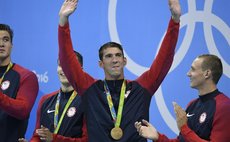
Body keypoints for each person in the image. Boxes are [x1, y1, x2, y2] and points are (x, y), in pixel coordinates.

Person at [58, 0, 181, 141]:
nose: (114, 60)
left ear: (124, 61)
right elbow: (68, 62)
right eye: (109, 56)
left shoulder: (140, 89)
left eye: (118, 55)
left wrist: (175, 21)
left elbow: (164, 60)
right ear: (101, 64)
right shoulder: (91, 89)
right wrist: (63, 22)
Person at [135, 54, 230, 142]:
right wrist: (158, 137)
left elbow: (186, 132)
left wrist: (184, 128)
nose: (188, 74)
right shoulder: (192, 105)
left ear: (207, 74)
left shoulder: (224, 107)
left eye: (193, 69)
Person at [19, 51, 88, 142]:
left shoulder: (88, 100)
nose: (64, 69)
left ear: (80, 70)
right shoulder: (45, 100)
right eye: (61, 64)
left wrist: (54, 139)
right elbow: (38, 136)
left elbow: (87, 140)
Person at [0, 23, 39, 142]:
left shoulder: (26, 76)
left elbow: (23, 110)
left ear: (11, 45)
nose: (1, 44)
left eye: (5, 40)